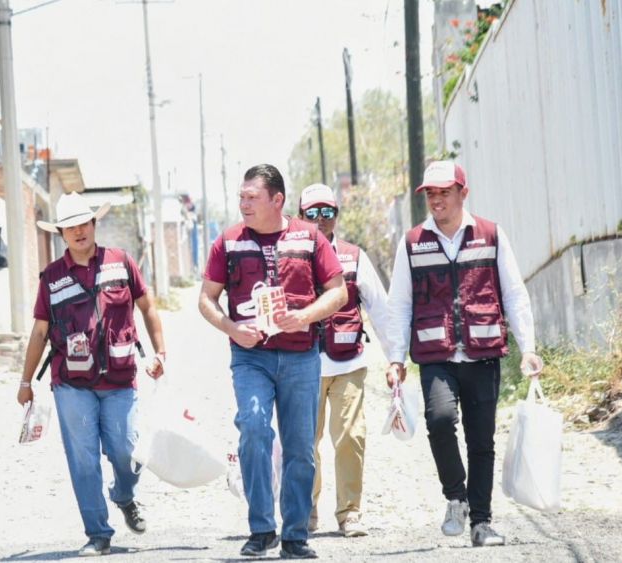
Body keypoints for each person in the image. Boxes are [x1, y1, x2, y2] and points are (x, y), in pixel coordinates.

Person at [385, 161, 543, 547]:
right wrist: (394, 358)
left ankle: (482, 523)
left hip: (482, 352)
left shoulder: (490, 234)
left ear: (463, 193)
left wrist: (529, 348)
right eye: (431, 194)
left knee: (481, 440)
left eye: (444, 192)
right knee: (439, 420)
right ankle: (455, 497)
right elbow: (399, 304)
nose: (437, 200)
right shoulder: (412, 242)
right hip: (435, 353)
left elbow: (514, 292)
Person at [199, 165, 347, 559]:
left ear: (277, 199)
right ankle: (262, 528)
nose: (243, 204)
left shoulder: (309, 237)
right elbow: (206, 299)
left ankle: (295, 534)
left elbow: (338, 291)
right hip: (251, 358)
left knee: (300, 447)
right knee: (253, 428)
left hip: (301, 358)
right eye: (241, 197)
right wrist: (231, 327)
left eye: (252, 197)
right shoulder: (228, 242)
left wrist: (305, 316)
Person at [17, 192, 167, 557]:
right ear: (61, 234)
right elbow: (39, 333)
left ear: (94, 225)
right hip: (71, 383)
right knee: (82, 459)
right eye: (71, 227)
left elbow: (148, 308)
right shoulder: (51, 278)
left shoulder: (121, 262)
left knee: (126, 451)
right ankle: (98, 533)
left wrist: (160, 353)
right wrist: (25, 382)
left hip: (119, 380)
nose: (79, 231)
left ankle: (124, 494)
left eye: (84, 223)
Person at [297, 184, 393, 537]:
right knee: (305, 442)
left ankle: (349, 512)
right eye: (312, 213)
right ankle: (306, 511)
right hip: (302, 366)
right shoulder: (288, 255)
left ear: (336, 215)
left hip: (347, 362)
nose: (320, 221)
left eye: (327, 213)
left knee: (351, 437)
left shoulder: (354, 256)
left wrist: (395, 358)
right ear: (299, 216)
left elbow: (380, 309)